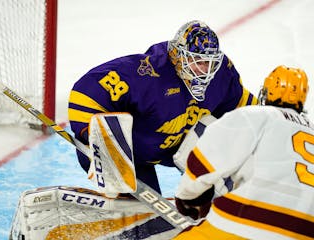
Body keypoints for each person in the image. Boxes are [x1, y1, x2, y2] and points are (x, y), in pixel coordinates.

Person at [68, 20, 257, 194]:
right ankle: (125, 200)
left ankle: (219, 203)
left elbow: (249, 112)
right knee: (142, 212)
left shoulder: (221, 75)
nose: (204, 70)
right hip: (128, 157)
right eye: (197, 61)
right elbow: (85, 93)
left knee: (217, 131)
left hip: (172, 149)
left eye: (209, 63)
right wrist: (94, 137)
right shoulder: (147, 73)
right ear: (177, 56)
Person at [173, 65, 314, 240]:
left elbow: (208, 156)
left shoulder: (256, 115)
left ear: (268, 90)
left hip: (248, 220)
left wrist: (189, 196)